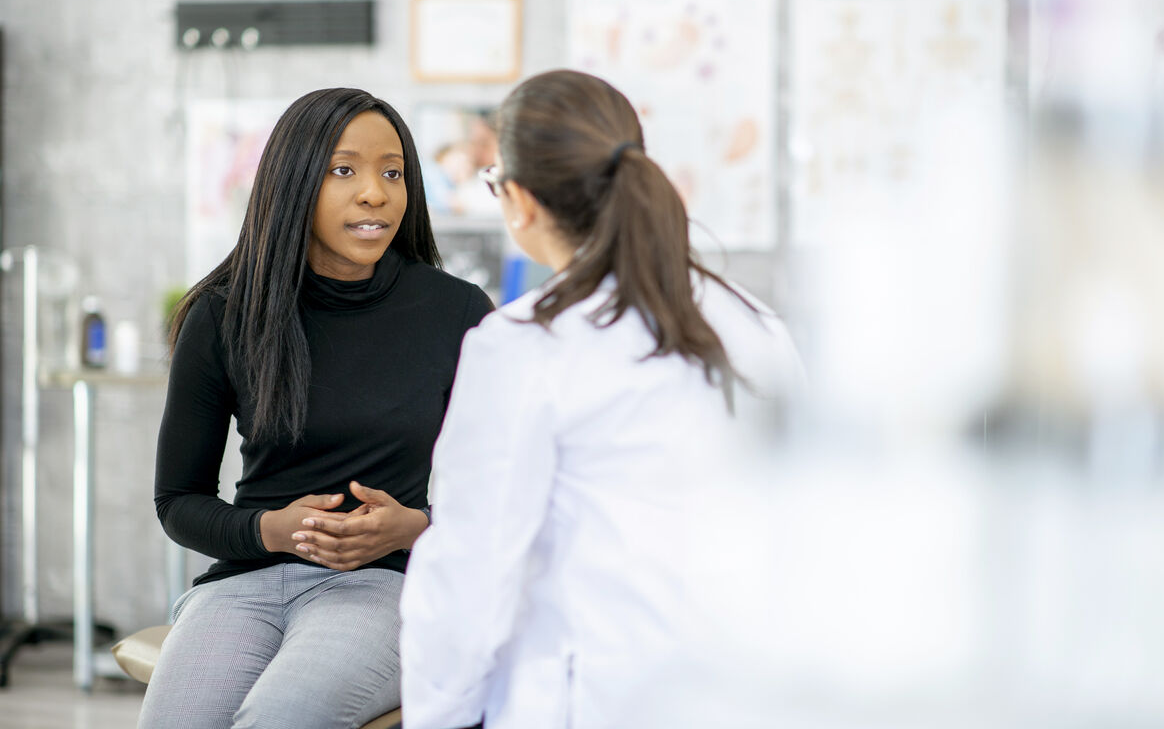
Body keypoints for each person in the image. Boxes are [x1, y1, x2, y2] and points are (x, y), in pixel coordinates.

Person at [398, 70, 802, 729]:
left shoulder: (524, 344)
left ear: (519, 201)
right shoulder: (757, 325)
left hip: (594, 699)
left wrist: (437, 715)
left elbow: (471, 570)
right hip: (744, 693)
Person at [140, 87, 493, 729]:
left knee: (280, 718)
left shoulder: (458, 312)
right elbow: (177, 501)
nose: (374, 193)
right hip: (243, 584)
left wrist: (414, 527)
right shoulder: (223, 313)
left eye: (393, 172)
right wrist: (270, 530)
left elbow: (509, 495)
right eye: (344, 169)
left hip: (383, 586)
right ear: (296, 182)